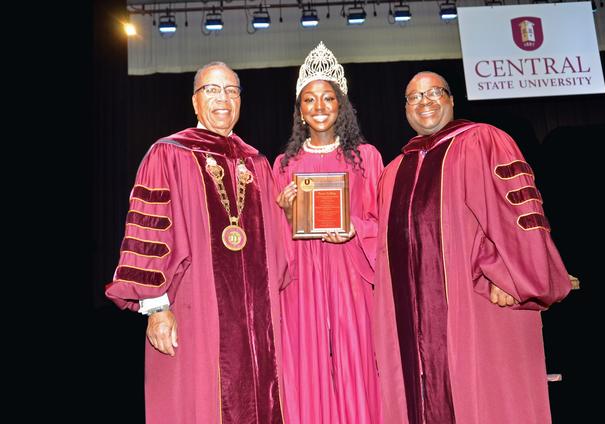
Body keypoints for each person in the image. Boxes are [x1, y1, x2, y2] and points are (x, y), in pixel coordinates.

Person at [373, 71, 573, 424]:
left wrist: (510, 276)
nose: (425, 102)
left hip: (479, 301)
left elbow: (516, 213)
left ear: (451, 99)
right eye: (414, 97)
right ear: (405, 109)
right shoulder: (393, 171)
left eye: (434, 93)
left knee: (489, 401)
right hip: (415, 322)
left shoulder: (484, 140)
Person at [104, 62, 289, 424]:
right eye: (212, 90)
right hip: (194, 311)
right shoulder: (169, 154)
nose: (223, 99)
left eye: (231, 91)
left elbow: (278, 250)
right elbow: (148, 233)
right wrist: (157, 309)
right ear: (195, 102)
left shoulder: (257, 162)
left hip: (257, 324)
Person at [273, 41, 383, 424]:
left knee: (356, 360)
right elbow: (273, 239)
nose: (318, 107)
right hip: (302, 280)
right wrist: (285, 213)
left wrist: (355, 228)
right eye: (309, 100)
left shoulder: (366, 158)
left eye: (327, 98)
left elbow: (383, 223)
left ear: (342, 106)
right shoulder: (284, 164)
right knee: (307, 364)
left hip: (351, 274)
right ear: (299, 111)